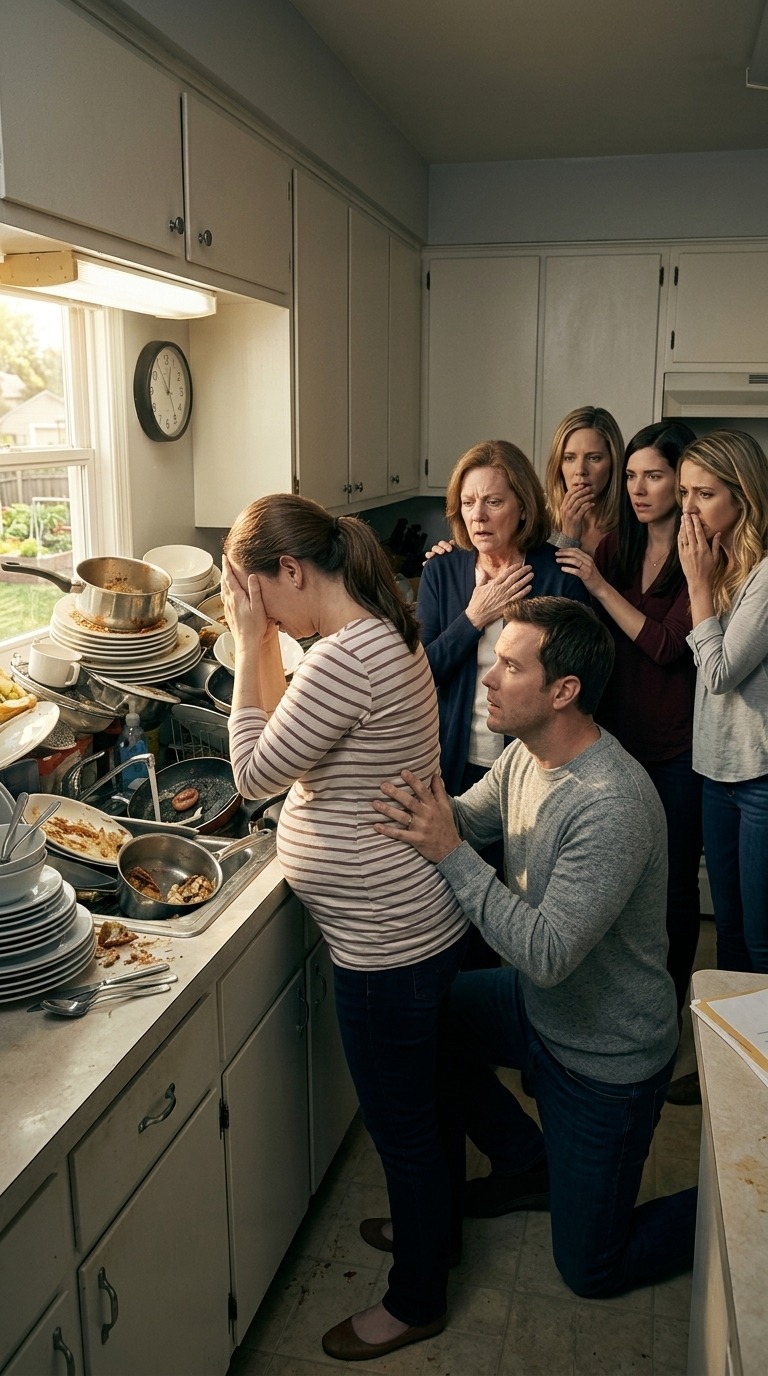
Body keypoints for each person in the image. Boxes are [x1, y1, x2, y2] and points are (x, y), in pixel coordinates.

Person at [373, 597, 698, 1298]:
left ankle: (730, 1211)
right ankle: (526, 1162)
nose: (488, 675)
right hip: (541, 1010)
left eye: (511, 665)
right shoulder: (527, 754)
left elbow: (546, 951)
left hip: (603, 1054)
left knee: (591, 1270)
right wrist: (390, 788)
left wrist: (449, 851)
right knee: (423, 1018)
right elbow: (465, 817)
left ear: (563, 692)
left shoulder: (611, 802)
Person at [221, 494, 469, 1364]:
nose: (258, 614)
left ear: (289, 573)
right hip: (416, 921)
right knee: (430, 1109)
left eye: (253, 594)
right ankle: (436, 1239)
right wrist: (266, 639)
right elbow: (308, 753)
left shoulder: (339, 659)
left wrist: (254, 645)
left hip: (385, 941)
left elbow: (250, 772)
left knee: (403, 1127)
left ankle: (416, 1301)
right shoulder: (380, 631)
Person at [555, 421, 702, 1016]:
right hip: (613, 745)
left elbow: (669, 645)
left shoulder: (703, 553)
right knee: (608, 885)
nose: (639, 489)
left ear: (682, 481)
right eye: (634, 476)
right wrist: (573, 546)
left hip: (675, 750)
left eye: (656, 476)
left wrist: (595, 577)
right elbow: (577, 628)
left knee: (671, 893)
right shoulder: (620, 546)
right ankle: (613, 1009)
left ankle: (663, 1015)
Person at [417, 439, 590, 798]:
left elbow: (576, 685)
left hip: (538, 763)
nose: (477, 515)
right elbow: (421, 672)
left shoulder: (560, 575)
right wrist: (472, 618)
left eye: (493, 502)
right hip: (454, 757)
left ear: (524, 508)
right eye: (468, 503)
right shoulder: (441, 570)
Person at [677, 430, 768, 973]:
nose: (687, 508)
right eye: (685, 492)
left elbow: (718, 672)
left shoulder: (761, 575)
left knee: (760, 942)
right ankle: (728, 1053)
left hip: (759, 777)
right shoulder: (717, 562)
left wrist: (696, 587)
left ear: (743, 496)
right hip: (715, 770)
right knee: (728, 935)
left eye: (704, 494)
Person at [544, 405, 624, 554]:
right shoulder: (539, 526)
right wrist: (567, 538)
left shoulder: (631, 525)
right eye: (569, 458)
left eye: (593, 458)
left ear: (613, 462)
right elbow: (553, 577)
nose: (580, 470)